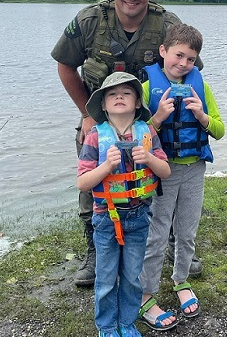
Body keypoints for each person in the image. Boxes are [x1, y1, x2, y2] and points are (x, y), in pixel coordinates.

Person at [51, 0, 203, 286]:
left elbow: (191, 65)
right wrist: (88, 115)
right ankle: (95, 250)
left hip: (151, 120)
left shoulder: (167, 24)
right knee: (93, 175)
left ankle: (175, 244)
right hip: (102, 118)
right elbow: (65, 66)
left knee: (167, 174)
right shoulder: (90, 20)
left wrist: (180, 117)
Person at [137, 24, 225, 330]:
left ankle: (181, 280)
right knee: (157, 233)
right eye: (178, 55)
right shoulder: (147, 90)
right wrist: (158, 116)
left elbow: (219, 130)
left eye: (190, 59)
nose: (183, 63)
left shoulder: (201, 88)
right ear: (163, 52)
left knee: (187, 231)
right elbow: (138, 137)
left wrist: (201, 115)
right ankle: (146, 293)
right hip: (162, 171)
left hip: (194, 170)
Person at [77, 72, 171, 337]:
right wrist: (106, 166)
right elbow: (83, 183)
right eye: (112, 94)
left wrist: (150, 158)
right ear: (104, 105)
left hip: (139, 217)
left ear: (138, 103)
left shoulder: (148, 132)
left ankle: (127, 323)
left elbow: (165, 172)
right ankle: (106, 327)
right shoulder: (95, 137)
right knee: (106, 279)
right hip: (106, 218)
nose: (119, 96)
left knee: (131, 277)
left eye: (127, 93)